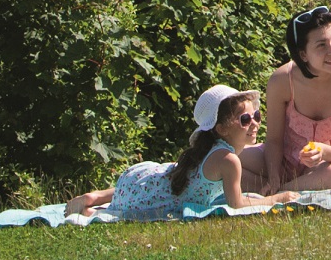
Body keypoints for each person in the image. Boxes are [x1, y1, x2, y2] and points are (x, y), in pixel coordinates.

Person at [65, 84, 287, 220]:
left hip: (135, 182)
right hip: (141, 202)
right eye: (245, 119)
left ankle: (94, 196)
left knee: (159, 182)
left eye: (256, 116)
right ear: (221, 129)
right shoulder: (228, 160)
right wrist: (275, 199)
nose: (255, 124)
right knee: (150, 195)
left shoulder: (209, 150)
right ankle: (91, 208)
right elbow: (236, 204)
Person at [258, 6, 331, 193]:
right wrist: (273, 175)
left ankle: (281, 192)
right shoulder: (282, 80)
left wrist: (323, 151)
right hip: (287, 161)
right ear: (303, 54)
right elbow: (273, 140)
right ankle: (274, 186)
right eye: (321, 45)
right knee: (235, 160)